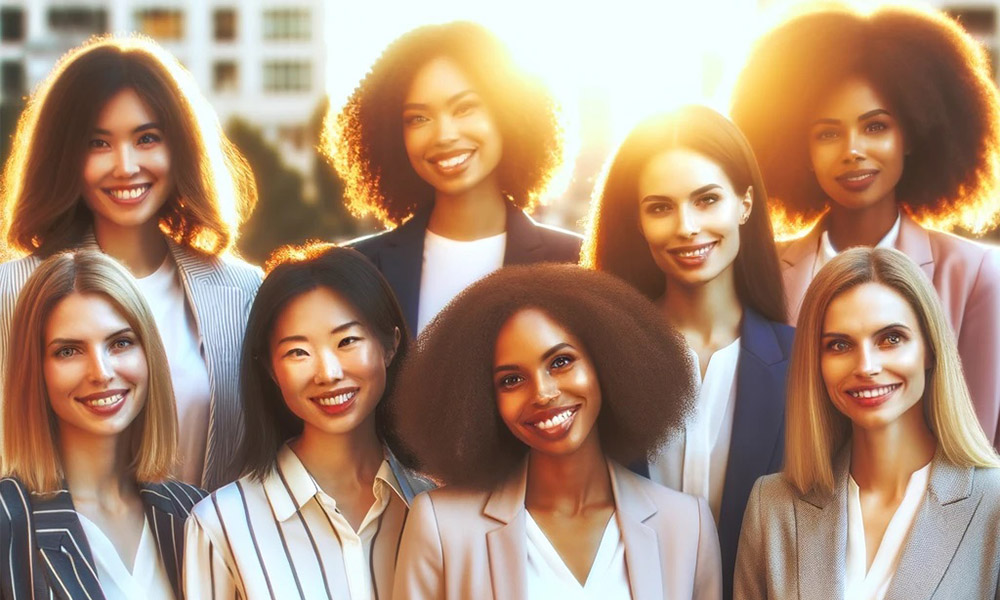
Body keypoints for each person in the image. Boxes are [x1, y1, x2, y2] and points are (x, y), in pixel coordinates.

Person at [730, 5, 1000, 447]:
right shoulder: (760, 270)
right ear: (798, 146)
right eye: (828, 133)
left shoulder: (972, 277)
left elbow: (978, 447)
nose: (853, 151)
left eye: (875, 126)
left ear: (911, 134)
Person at [0, 35, 261, 489]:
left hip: (206, 554)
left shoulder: (242, 290)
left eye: (146, 138)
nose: (125, 166)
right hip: (55, 555)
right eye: (98, 143)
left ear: (179, 146)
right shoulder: (13, 290)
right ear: (65, 156)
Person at [390, 264, 721, 599]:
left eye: (561, 362)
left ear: (606, 361)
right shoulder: (441, 526)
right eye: (511, 380)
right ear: (481, 401)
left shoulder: (686, 525)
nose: (543, 393)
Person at [583, 106, 792, 599]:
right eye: (660, 207)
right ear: (636, 220)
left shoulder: (805, 359)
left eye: (707, 199)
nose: (686, 226)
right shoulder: (597, 357)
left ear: (744, 204)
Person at [734, 247, 1000, 599]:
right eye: (840, 345)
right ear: (816, 364)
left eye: (891, 338)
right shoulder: (773, 506)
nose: (866, 366)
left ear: (930, 349)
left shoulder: (993, 503)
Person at [184, 244, 432, 600]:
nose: (328, 373)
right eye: (298, 352)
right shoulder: (221, 524)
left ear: (389, 345)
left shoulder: (437, 505)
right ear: (270, 368)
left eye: (347, 341)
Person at [327, 21, 581, 335]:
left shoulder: (576, 261)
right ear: (393, 134)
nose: (444, 135)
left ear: (508, 114)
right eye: (418, 118)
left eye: (465, 108)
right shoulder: (356, 267)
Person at [0, 250, 205, 598]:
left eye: (120, 343)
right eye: (69, 351)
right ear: (35, 370)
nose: (102, 372)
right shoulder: (8, 521)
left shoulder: (196, 514)